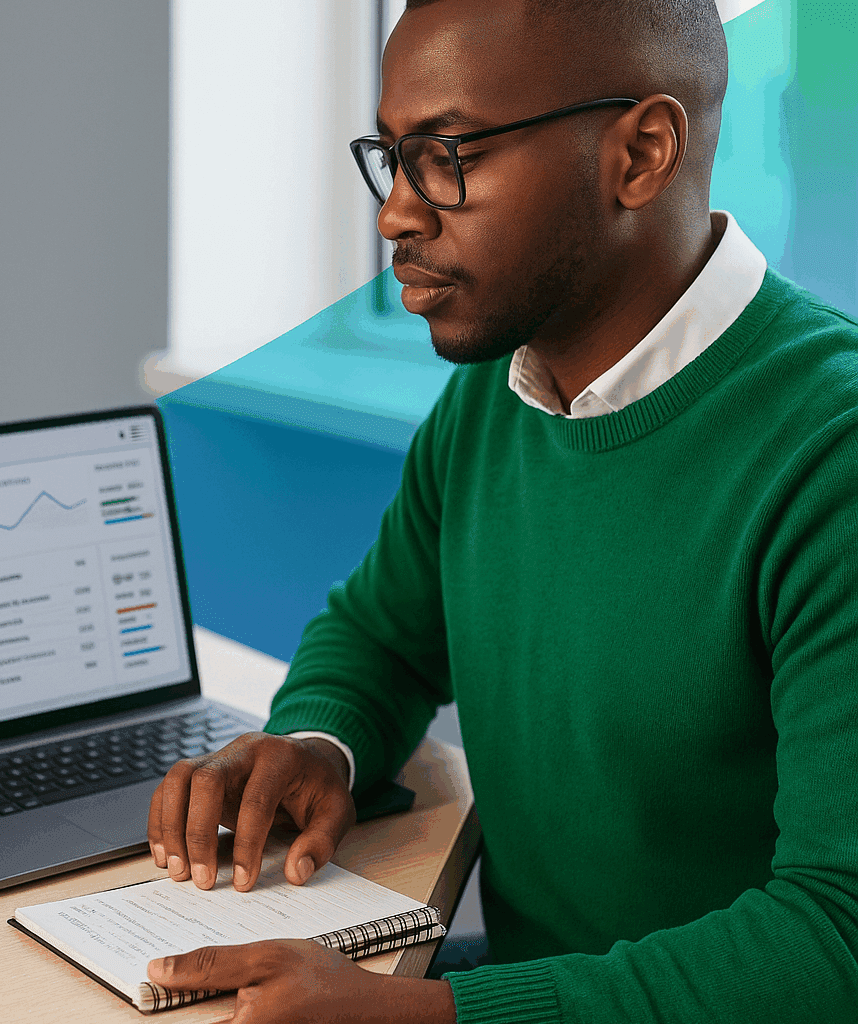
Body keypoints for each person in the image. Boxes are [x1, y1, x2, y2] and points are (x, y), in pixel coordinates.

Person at [145, 0, 858, 1020]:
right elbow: (382, 637)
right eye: (392, 157)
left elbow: (837, 940)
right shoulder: (501, 386)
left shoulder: (830, 452)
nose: (395, 211)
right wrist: (317, 745)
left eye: (446, 153)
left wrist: (432, 1015)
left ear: (640, 152)